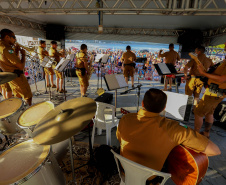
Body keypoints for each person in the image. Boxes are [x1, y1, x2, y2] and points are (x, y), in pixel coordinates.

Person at [117, 88, 221, 183]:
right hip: (149, 179)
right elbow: (215, 150)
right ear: (164, 108)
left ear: (143, 103)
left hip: (124, 170)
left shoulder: (125, 119)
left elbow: (119, 138)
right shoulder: (175, 129)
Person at [194, 42, 226, 138]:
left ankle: (195, 135)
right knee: (209, 112)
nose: (224, 43)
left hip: (215, 93)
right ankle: (206, 133)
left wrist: (203, 73)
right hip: (214, 92)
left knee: (198, 112)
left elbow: (222, 79)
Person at [0, 29, 32, 105]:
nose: (15, 39)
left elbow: (9, 60)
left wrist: (16, 51)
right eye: (14, 37)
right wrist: (23, 55)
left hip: (12, 76)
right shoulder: (7, 48)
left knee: (18, 96)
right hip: (17, 76)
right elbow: (21, 66)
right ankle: (28, 113)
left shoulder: (2, 46)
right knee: (28, 97)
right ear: (7, 37)